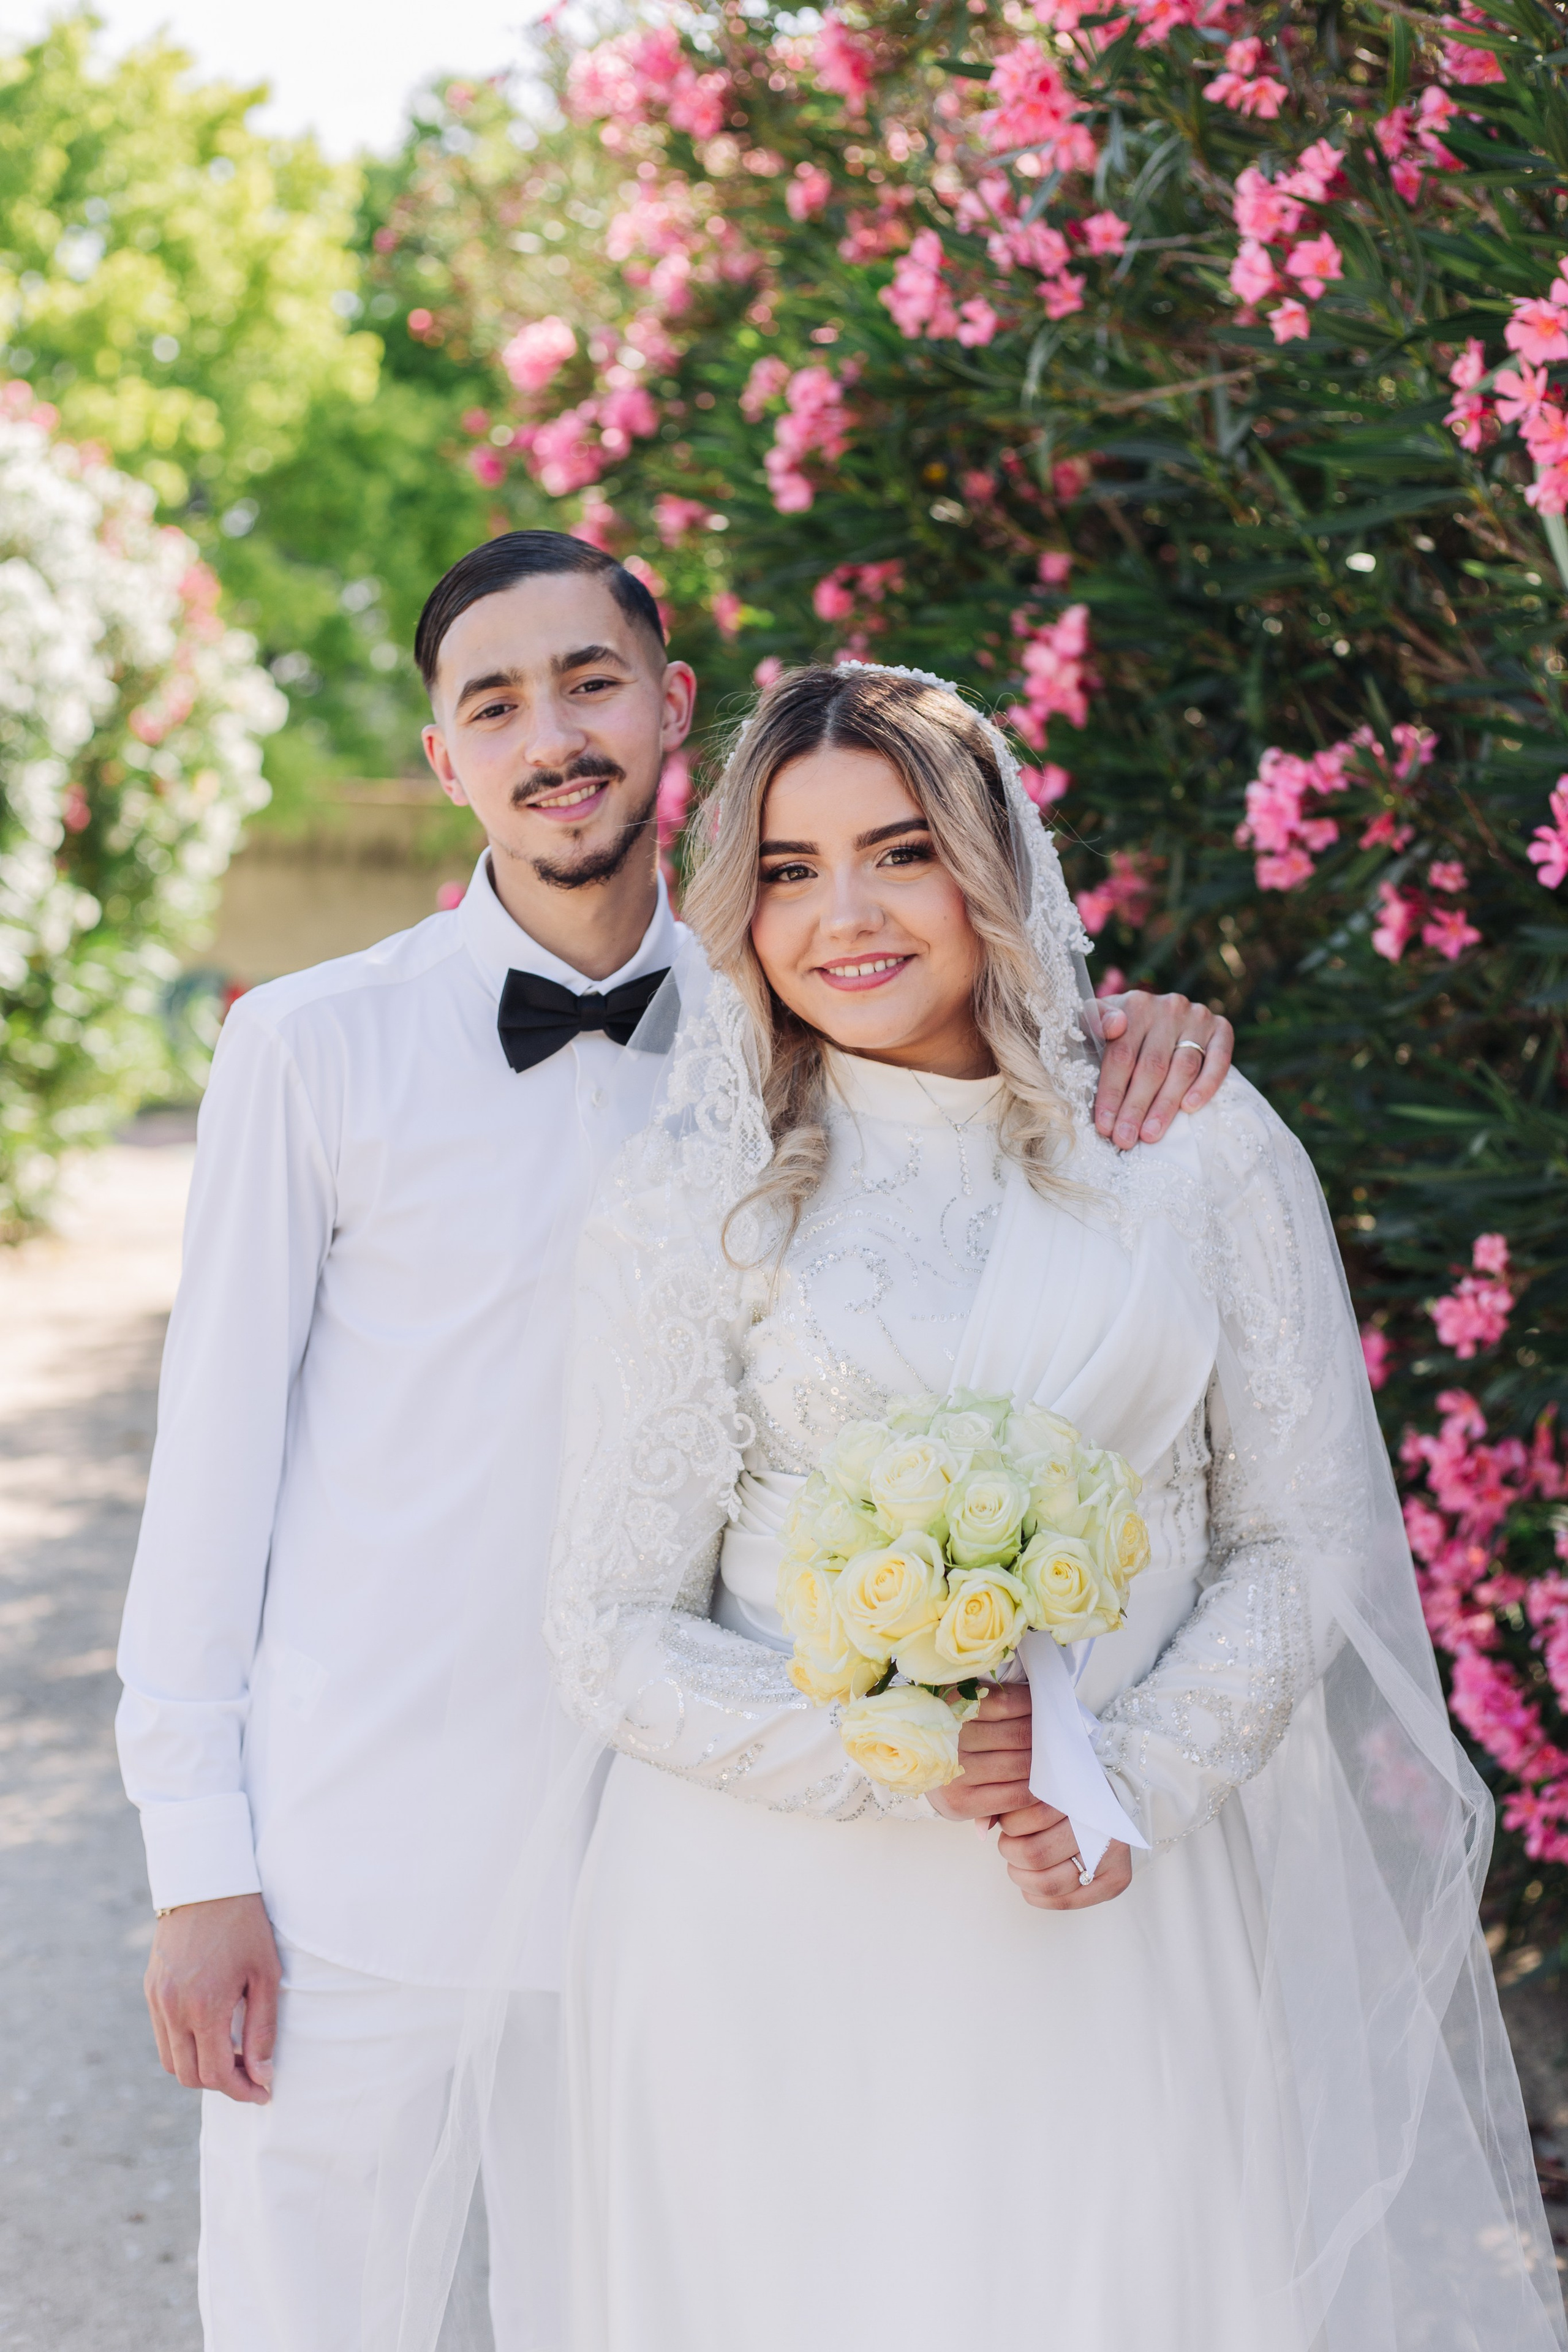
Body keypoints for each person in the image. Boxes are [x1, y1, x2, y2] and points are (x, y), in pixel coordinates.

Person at [114, 533, 1234, 2352]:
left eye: (590, 683)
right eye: (496, 703)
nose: (551, 734)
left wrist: (1149, 1028)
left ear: (669, 712)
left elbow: (1001, 1104)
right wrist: (199, 1864)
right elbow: (209, 1476)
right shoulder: (313, 1052)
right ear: (444, 759)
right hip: (367, 1855)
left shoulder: (807, 1008)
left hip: (699, 1866)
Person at [542, 662, 1564, 2352]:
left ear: (996, 869)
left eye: (901, 851)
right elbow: (606, 1625)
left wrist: (1126, 1781)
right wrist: (912, 1753)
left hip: (1112, 1902)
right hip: (765, 1932)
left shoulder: (1189, 1141)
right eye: (789, 871)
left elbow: (1296, 1534)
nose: (845, 915)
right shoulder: (684, 1204)